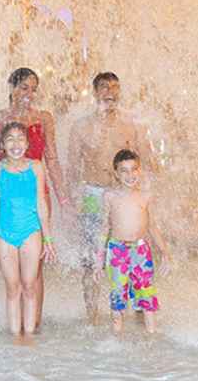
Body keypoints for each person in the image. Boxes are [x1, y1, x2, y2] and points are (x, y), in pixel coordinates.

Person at [66, 72, 159, 324]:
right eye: (105, 87)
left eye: (115, 87)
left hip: (125, 194)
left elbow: (146, 160)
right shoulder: (81, 126)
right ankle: (92, 316)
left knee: (136, 249)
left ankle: (141, 314)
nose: (111, 92)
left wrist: (150, 195)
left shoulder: (131, 125)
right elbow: (73, 168)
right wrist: (72, 202)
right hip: (93, 193)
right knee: (90, 257)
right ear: (95, 92)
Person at [0, 67, 70, 328]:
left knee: (36, 265)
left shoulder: (44, 118)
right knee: (10, 266)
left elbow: (52, 159)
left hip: (36, 193)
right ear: (11, 88)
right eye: (24, 88)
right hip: (7, 195)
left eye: (33, 89)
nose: (29, 94)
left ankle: (34, 324)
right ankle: (15, 321)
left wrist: (63, 198)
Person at [0, 122, 56, 337]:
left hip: (31, 231)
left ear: (27, 143)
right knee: (13, 288)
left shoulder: (36, 167)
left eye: (20, 138)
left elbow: (41, 203)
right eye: (10, 139)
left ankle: (29, 337)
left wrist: (48, 241)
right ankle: (15, 336)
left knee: (30, 286)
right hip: (5, 234)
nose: (16, 143)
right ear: (2, 144)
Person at [96, 149, 169, 334]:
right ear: (116, 173)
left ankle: (151, 338)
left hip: (141, 251)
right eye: (124, 171)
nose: (130, 175)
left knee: (147, 295)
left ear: (140, 170)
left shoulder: (146, 196)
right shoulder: (109, 196)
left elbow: (152, 226)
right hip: (117, 251)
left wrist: (165, 251)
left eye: (134, 169)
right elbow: (104, 227)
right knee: (118, 297)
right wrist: (98, 259)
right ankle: (117, 339)